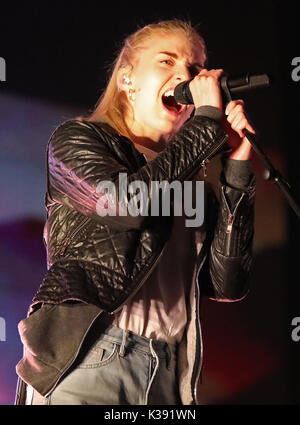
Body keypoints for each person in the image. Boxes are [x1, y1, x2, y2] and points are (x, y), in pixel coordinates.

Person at [15, 19, 255, 405]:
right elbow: (125, 203)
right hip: (94, 356)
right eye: (167, 61)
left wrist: (237, 170)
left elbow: (227, 284)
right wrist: (207, 122)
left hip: (170, 372)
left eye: (194, 69)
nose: (186, 76)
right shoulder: (79, 141)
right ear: (127, 80)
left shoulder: (189, 179)